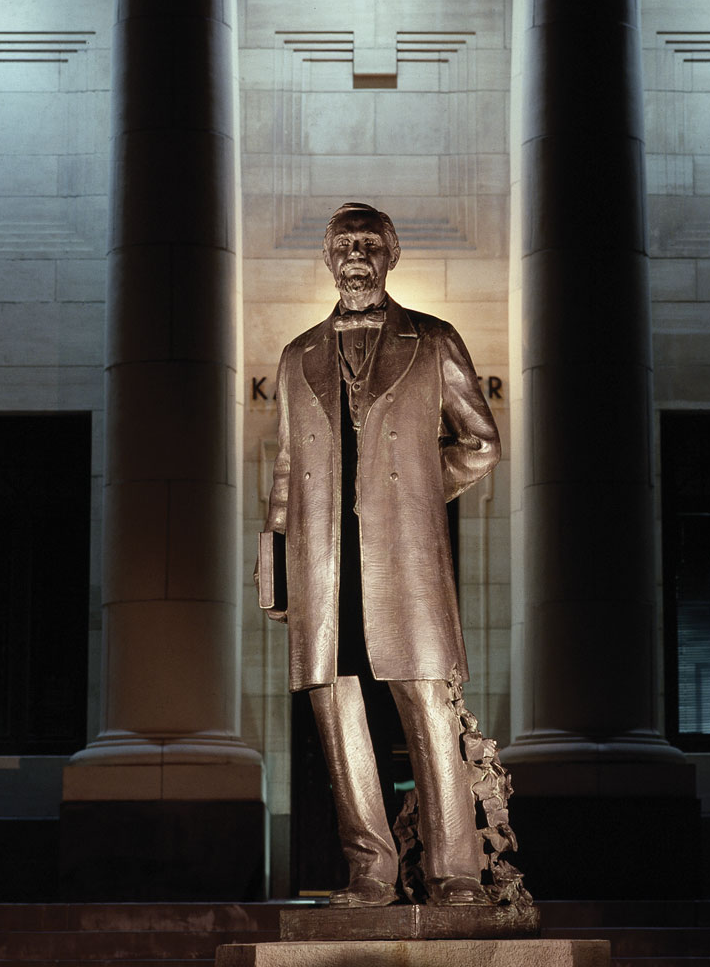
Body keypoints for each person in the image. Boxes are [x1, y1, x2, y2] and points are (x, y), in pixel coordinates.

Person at [258, 201, 500, 907]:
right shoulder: (296, 353)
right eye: (344, 245)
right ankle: (370, 872)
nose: (356, 256)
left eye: (368, 243)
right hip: (324, 562)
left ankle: (456, 876)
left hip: (406, 559)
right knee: (337, 712)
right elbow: (284, 470)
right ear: (329, 259)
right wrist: (273, 561)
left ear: (391, 256)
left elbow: (479, 442)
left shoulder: (434, 339)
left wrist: (421, 491)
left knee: (427, 707)